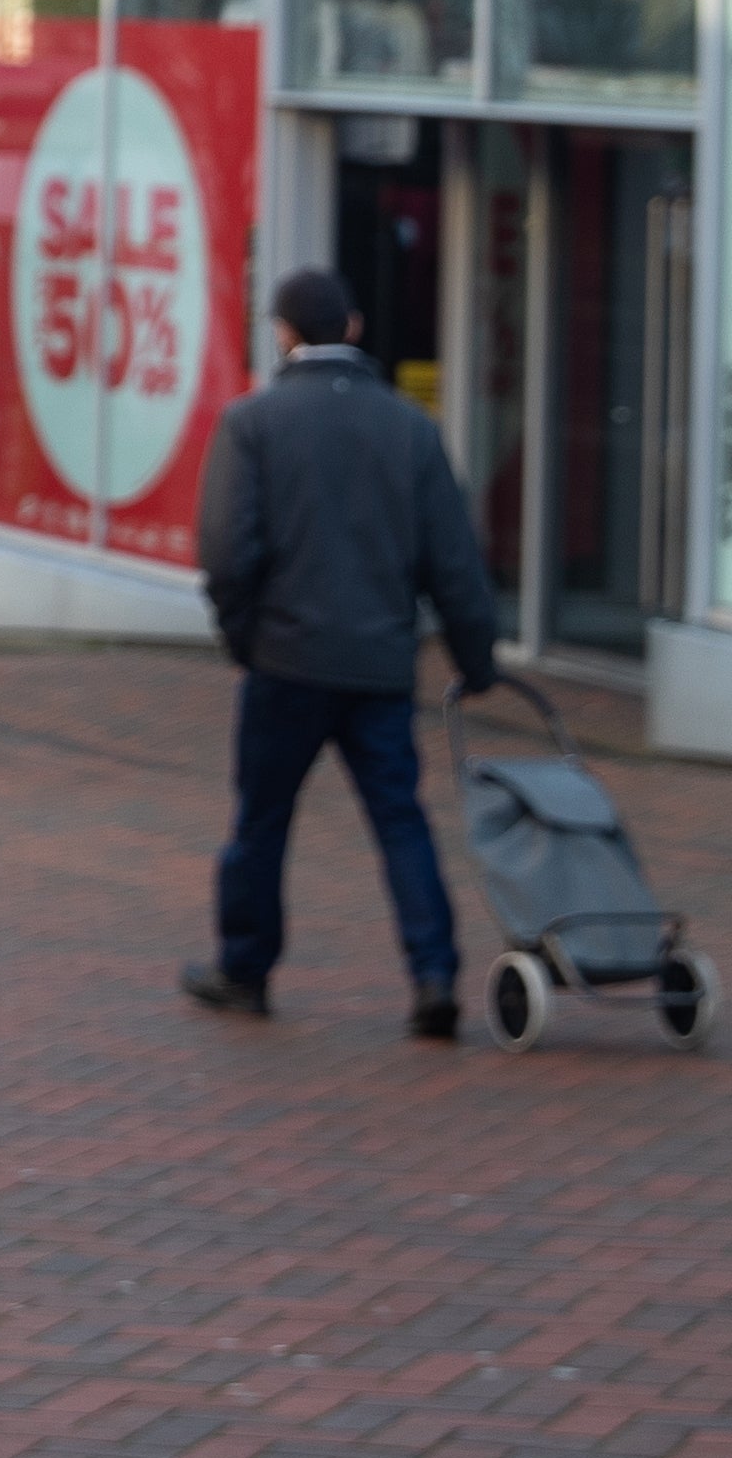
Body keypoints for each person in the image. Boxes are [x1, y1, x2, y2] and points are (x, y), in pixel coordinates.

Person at [182, 266, 502, 1039]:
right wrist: (475, 656)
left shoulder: (252, 424)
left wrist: (243, 637)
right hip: (378, 666)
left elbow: (227, 551)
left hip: (285, 662)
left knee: (262, 820)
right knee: (401, 821)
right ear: (353, 328)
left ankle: (246, 969)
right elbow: (453, 560)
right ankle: (433, 975)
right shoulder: (410, 429)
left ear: (283, 333)